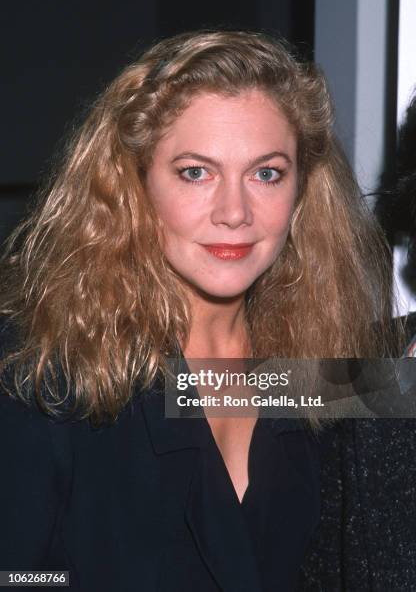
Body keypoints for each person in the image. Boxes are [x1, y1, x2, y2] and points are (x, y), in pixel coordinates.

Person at [0, 30, 399, 592]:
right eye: (195, 172)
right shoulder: (44, 368)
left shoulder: (307, 371)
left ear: (302, 191)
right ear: (134, 184)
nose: (234, 212)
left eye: (266, 173)